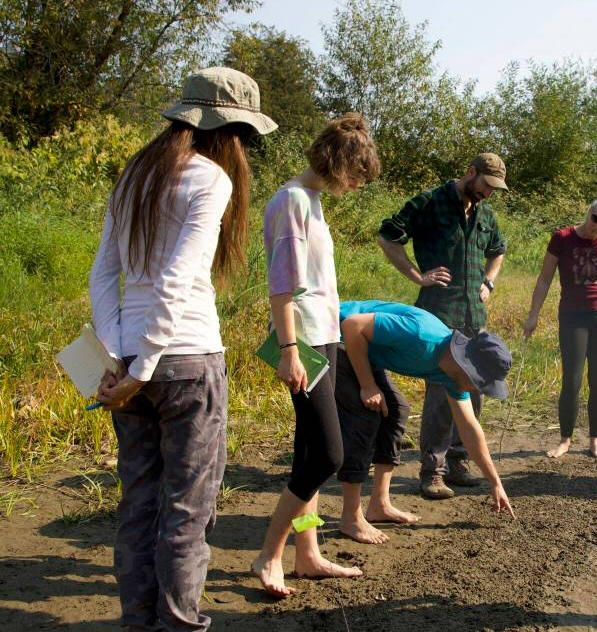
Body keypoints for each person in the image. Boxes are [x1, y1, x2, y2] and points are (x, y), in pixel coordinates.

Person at [89, 67, 276, 630]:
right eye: (242, 136)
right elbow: (180, 274)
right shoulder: (210, 178)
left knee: (139, 503)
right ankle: (178, 625)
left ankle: (139, 621)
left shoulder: (135, 175)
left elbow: (104, 274)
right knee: (187, 512)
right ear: (227, 130)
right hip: (187, 360)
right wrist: (142, 368)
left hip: (128, 362)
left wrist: (116, 360)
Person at [251, 114, 382, 598]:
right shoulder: (291, 202)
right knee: (329, 453)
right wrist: (289, 350)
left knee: (309, 451)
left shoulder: (313, 201)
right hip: (300, 341)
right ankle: (269, 553)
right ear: (338, 163)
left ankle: (307, 554)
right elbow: (282, 284)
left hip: (321, 335)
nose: (355, 186)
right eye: (356, 176)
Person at [377, 153, 508, 499]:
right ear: (471, 172)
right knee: (441, 393)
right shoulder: (429, 203)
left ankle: (459, 462)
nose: (488, 194)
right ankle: (432, 471)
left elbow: (498, 250)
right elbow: (387, 236)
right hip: (439, 315)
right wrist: (417, 275)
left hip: (474, 318)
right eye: (486, 185)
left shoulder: (486, 214)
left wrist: (489, 282)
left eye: (495, 190)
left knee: (473, 390)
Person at [334, 299, 516, 544]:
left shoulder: (452, 374)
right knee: (366, 416)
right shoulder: (422, 336)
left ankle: (379, 504)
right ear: (468, 367)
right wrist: (367, 385)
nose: (480, 390)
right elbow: (353, 325)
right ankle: (351, 518)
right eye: (481, 383)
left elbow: (470, 428)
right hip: (333, 339)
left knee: (396, 410)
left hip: (364, 349)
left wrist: (495, 483)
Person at [522, 196, 597, 459]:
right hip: (572, 317)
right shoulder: (562, 238)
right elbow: (544, 280)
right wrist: (533, 316)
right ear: (589, 211)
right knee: (571, 380)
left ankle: (595, 441)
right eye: (596, 219)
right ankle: (565, 440)